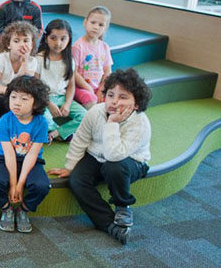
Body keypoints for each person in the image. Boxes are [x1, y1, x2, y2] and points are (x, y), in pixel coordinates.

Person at [49, 68, 152, 245]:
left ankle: (122, 205)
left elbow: (115, 155)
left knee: (114, 167)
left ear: (136, 104)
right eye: (111, 95)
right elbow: (80, 139)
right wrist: (70, 167)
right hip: (97, 155)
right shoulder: (96, 112)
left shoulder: (140, 123)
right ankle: (108, 224)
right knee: (77, 180)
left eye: (123, 97)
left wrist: (112, 123)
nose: (114, 101)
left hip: (130, 161)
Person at [0, 75, 51, 234]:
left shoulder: (41, 122)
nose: (16, 102)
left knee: (42, 185)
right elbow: (8, 154)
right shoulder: (4, 120)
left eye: (24, 99)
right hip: (5, 159)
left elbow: (32, 155)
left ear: (35, 103)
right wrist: (13, 185)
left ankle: (23, 210)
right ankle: (6, 208)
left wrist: (20, 185)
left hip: (31, 160)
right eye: (13, 97)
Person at [0, 21, 38, 145]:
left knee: (29, 99)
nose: (21, 45)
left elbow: (25, 84)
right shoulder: (1, 59)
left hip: (17, 92)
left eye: (26, 41)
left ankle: (20, 129)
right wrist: (11, 93)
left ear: (32, 44)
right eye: (16, 41)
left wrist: (24, 63)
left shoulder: (32, 61)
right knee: (3, 101)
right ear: (9, 44)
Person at [35, 19, 87, 142]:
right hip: (44, 99)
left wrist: (68, 103)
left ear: (69, 39)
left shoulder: (69, 60)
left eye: (63, 39)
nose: (58, 43)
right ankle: (63, 132)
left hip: (62, 97)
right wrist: (49, 103)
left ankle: (56, 133)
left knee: (85, 116)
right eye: (53, 38)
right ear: (46, 38)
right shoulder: (39, 59)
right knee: (44, 119)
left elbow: (71, 86)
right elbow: (36, 86)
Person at [72, 5, 113, 109]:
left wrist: (101, 90)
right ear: (85, 22)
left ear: (105, 28)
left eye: (101, 25)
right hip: (81, 88)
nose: (96, 27)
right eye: (93, 22)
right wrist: (89, 89)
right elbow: (74, 73)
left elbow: (107, 71)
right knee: (91, 100)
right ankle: (93, 124)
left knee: (111, 100)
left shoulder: (104, 47)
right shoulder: (78, 46)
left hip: (99, 87)